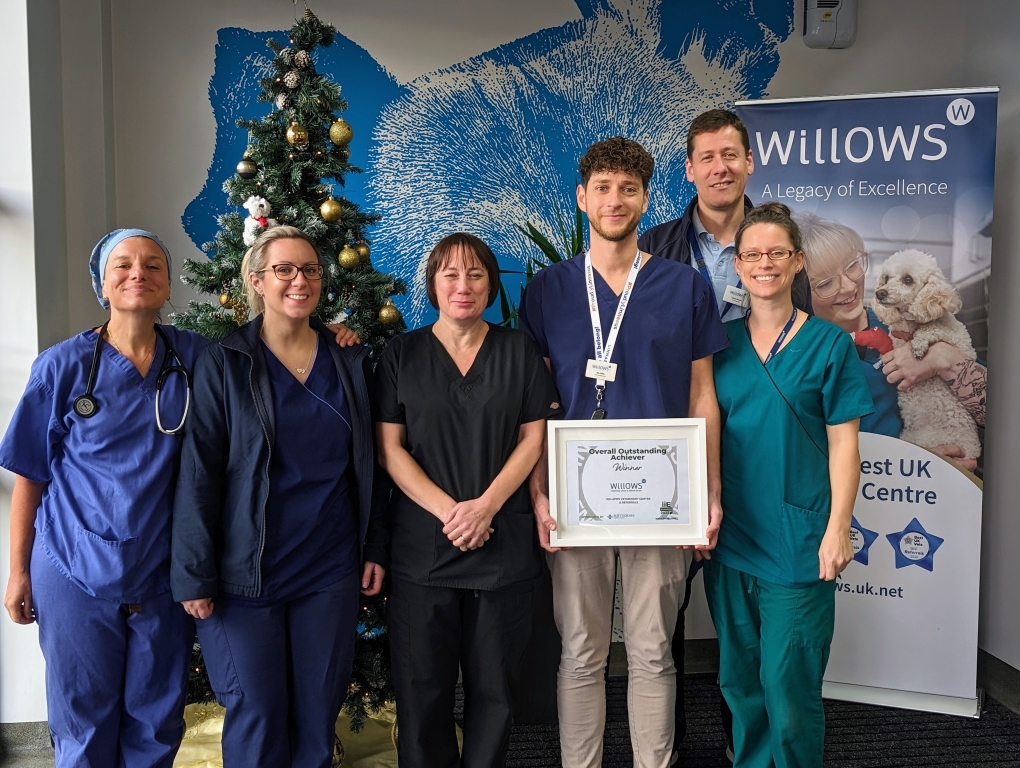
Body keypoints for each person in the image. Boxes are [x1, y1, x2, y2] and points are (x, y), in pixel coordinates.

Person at [519, 137, 728, 768]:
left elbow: (702, 395)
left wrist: (709, 492)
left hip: (660, 498)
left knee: (650, 649)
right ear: (582, 198)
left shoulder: (683, 286)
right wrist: (537, 492)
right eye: (603, 189)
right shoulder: (547, 289)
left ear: (645, 198)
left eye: (628, 189)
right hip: (573, 496)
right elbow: (532, 403)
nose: (615, 201)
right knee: (581, 650)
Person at [170, 226, 385, 767]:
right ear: (257, 281)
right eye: (284, 270)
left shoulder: (349, 362)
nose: (300, 280)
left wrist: (374, 546)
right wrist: (193, 573)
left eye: (310, 269)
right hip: (246, 575)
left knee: (317, 715)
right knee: (258, 714)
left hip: (327, 569)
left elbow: (372, 466)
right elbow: (200, 474)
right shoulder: (226, 362)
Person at [0, 230, 206, 767]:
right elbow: (29, 472)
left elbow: (272, 346)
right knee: (82, 720)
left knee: (156, 720)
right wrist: (17, 570)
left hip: (160, 571)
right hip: (71, 568)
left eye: (153, 265)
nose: (138, 273)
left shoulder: (195, 358)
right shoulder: (62, 366)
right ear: (102, 283)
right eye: (124, 265)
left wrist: (332, 332)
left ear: (167, 285)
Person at [375, 233, 561, 767]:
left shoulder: (518, 350)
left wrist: (484, 508)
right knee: (422, 693)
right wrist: (450, 513)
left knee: (495, 692)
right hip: (423, 553)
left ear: (491, 284)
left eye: (477, 275)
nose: (464, 286)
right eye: (451, 275)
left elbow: (534, 437)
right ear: (432, 284)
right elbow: (389, 449)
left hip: (500, 549)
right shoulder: (401, 354)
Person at [706, 203, 874, 768]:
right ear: (738, 263)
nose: (764, 264)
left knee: (789, 688)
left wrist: (838, 529)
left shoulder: (829, 345)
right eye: (752, 254)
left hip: (801, 538)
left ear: (797, 261)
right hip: (731, 541)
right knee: (742, 683)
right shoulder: (718, 347)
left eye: (777, 252)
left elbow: (846, 445)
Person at [796, 212, 985, 471]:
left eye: (852, 266)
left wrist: (945, 358)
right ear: (800, 292)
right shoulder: (794, 353)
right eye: (826, 282)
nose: (850, 287)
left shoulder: (912, 325)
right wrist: (908, 463)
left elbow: (996, 416)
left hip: (919, 498)